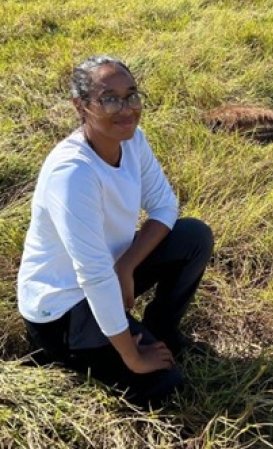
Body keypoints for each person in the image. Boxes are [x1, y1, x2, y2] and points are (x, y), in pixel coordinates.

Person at [17, 55, 214, 408]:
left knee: (193, 236)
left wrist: (125, 266)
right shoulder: (73, 173)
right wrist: (133, 357)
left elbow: (165, 206)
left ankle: (162, 330)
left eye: (132, 95)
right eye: (109, 98)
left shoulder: (132, 141)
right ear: (81, 106)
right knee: (163, 384)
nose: (126, 109)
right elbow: (92, 275)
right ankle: (75, 354)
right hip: (63, 307)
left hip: (109, 273)